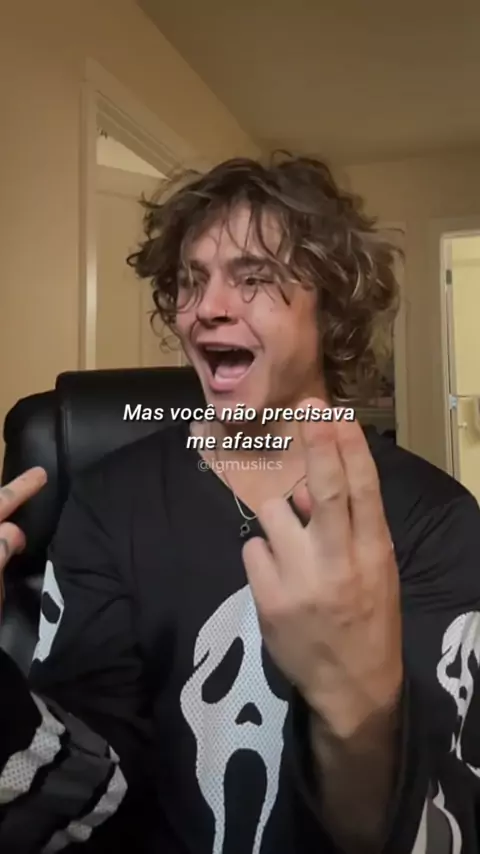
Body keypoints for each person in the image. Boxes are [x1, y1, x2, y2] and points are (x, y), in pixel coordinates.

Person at [0, 154, 480, 854]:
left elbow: (448, 826)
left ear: (331, 306)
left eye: (253, 277)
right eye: (190, 281)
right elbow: (87, 799)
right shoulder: (107, 501)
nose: (208, 308)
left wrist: (358, 706)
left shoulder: (435, 519)